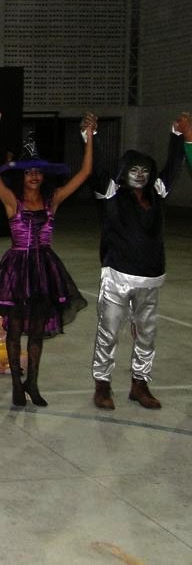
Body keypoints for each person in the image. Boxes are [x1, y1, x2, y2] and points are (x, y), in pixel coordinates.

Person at [0, 120, 95, 407]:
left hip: (45, 271)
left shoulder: (53, 200)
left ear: (43, 175)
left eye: (38, 172)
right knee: (14, 329)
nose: (34, 176)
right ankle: (16, 387)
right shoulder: (12, 201)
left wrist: (89, 139)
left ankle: (32, 383)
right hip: (17, 269)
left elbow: (84, 173)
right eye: (28, 172)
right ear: (20, 176)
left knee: (35, 331)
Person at [91, 114, 188, 410]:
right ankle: (103, 385)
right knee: (108, 333)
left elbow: (174, 166)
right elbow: (94, 172)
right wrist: (91, 139)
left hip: (151, 279)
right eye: (133, 169)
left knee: (146, 335)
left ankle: (140, 383)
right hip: (117, 278)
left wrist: (176, 134)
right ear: (123, 171)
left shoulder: (157, 193)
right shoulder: (112, 194)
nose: (140, 174)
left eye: (145, 170)